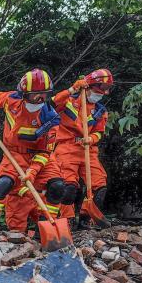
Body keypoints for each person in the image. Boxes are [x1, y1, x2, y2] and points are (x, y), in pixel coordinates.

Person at [0, 69, 65, 242]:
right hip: (14, 154)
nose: (41, 99)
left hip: (39, 157)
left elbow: (45, 151)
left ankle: (45, 230)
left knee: (57, 186)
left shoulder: (50, 119)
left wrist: (33, 171)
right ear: (24, 94)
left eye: (45, 95)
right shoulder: (10, 100)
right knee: (3, 184)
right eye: (36, 95)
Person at [51, 69, 113, 229]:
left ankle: (87, 217)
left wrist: (91, 139)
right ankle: (67, 220)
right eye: (103, 88)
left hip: (88, 149)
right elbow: (54, 102)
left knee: (99, 185)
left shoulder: (100, 110)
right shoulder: (69, 101)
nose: (104, 93)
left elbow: (99, 132)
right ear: (91, 86)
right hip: (67, 148)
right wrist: (73, 89)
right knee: (69, 186)